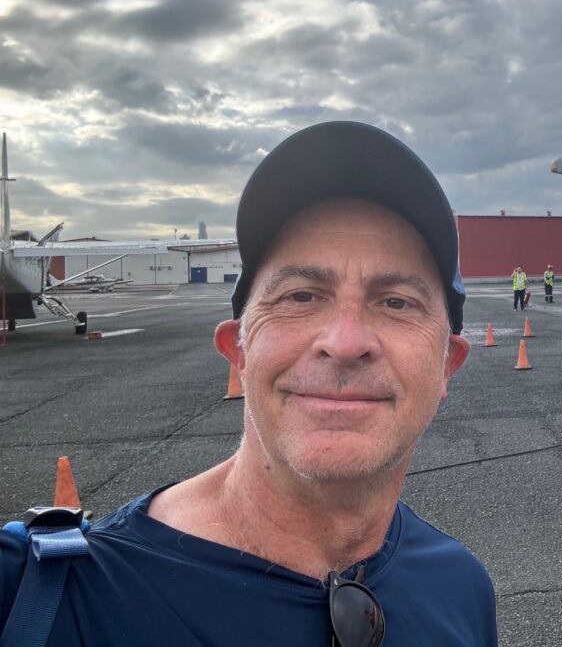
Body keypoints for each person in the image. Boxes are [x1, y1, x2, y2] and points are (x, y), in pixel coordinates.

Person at [0, 122, 498, 646]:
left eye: (397, 301)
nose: (346, 341)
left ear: (448, 365)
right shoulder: (34, 594)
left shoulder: (461, 589)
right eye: (301, 296)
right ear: (238, 350)